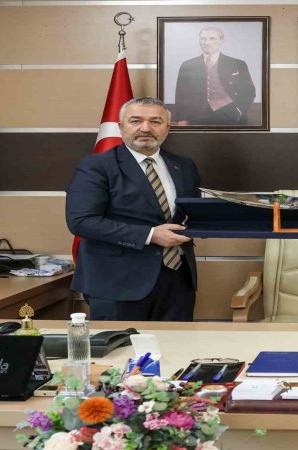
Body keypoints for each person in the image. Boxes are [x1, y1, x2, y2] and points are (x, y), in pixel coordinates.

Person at [66, 97, 201, 321]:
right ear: (121, 127)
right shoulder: (96, 166)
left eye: (155, 121)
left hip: (177, 281)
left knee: (175, 343)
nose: (145, 128)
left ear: (167, 128)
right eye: (136, 121)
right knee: (120, 344)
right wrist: (150, 235)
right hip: (117, 283)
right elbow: (82, 221)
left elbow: (192, 213)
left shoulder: (184, 165)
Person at [174, 27, 256, 126]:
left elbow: (249, 91)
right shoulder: (187, 65)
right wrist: (182, 119)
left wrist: (238, 111)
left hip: (231, 117)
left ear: (221, 40)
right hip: (196, 118)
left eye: (212, 38)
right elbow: (181, 95)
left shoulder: (238, 64)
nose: (207, 42)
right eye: (203, 39)